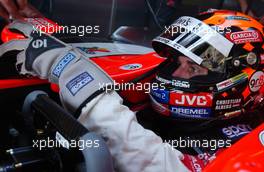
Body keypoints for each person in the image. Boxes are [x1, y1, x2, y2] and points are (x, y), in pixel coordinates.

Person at [0, 2, 264, 171]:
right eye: (177, 62)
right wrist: (51, 38)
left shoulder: (248, 145)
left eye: (193, 69)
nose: (177, 73)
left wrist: (66, 66)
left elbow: (155, 163)